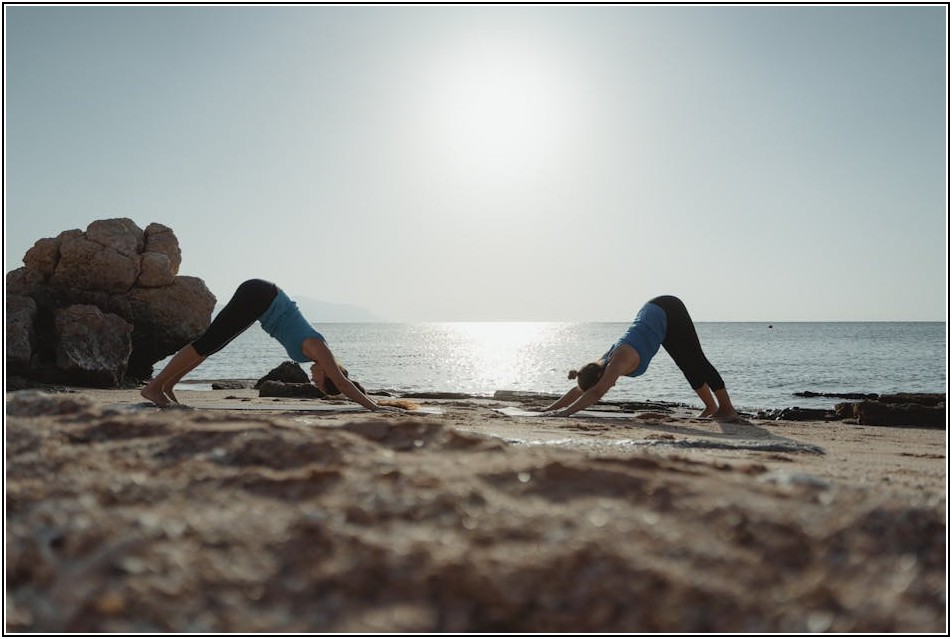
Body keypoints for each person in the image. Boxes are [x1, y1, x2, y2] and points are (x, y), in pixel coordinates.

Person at [141, 278, 396, 411]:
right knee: (208, 343)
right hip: (261, 296)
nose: (313, 381)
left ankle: (167, 385)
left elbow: (340, 384)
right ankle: (154, 387)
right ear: (328, 374)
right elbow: (343, 384)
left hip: (261, 302)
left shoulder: (313, 355)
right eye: (319, 382)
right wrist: (373, 407)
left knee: (212, 346)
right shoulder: (319, 348)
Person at [539, 295, 740, 420]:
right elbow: (581, 389)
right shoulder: (599, 365)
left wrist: (565, 413)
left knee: (697, 360)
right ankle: (711, 407)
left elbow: (596, 392)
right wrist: (549, 409)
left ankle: (727, 409)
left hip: (668, 309)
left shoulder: (617, 361)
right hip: (654, 316)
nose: (611, 386)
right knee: (685, 365)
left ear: (600, 375)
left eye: (603, 382)